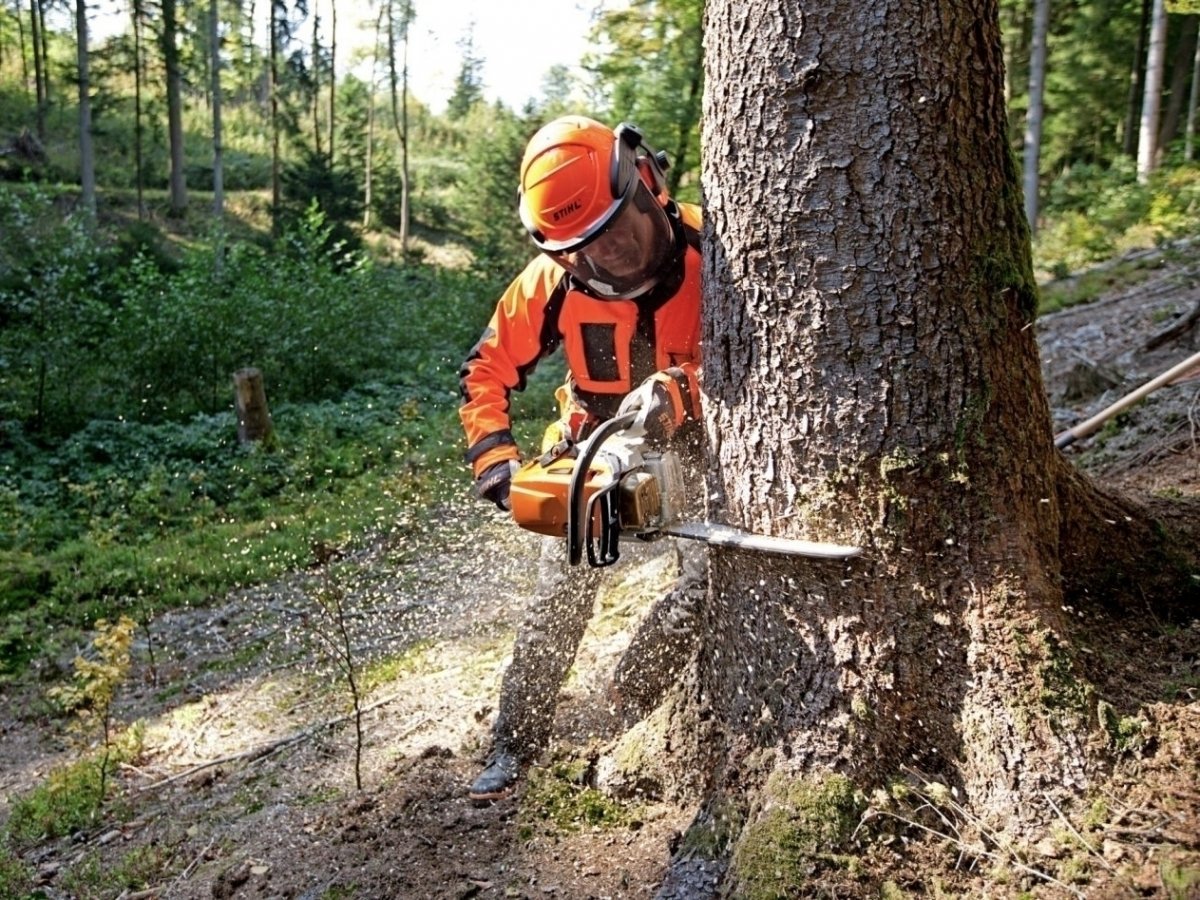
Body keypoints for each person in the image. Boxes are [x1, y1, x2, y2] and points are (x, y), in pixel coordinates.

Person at [458, 115, 705, 801]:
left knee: (713, 583)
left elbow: (773, 360)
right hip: (596, 449)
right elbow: (485, 370)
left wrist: (686, 391)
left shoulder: (715, 254)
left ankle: (634, 690)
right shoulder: (552, 282)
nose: (617, 258)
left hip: (703, 447)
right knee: (556, 601)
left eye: (622, 232)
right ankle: (514, 741)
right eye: (589, 251)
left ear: (645, 182)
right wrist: (496, 461)